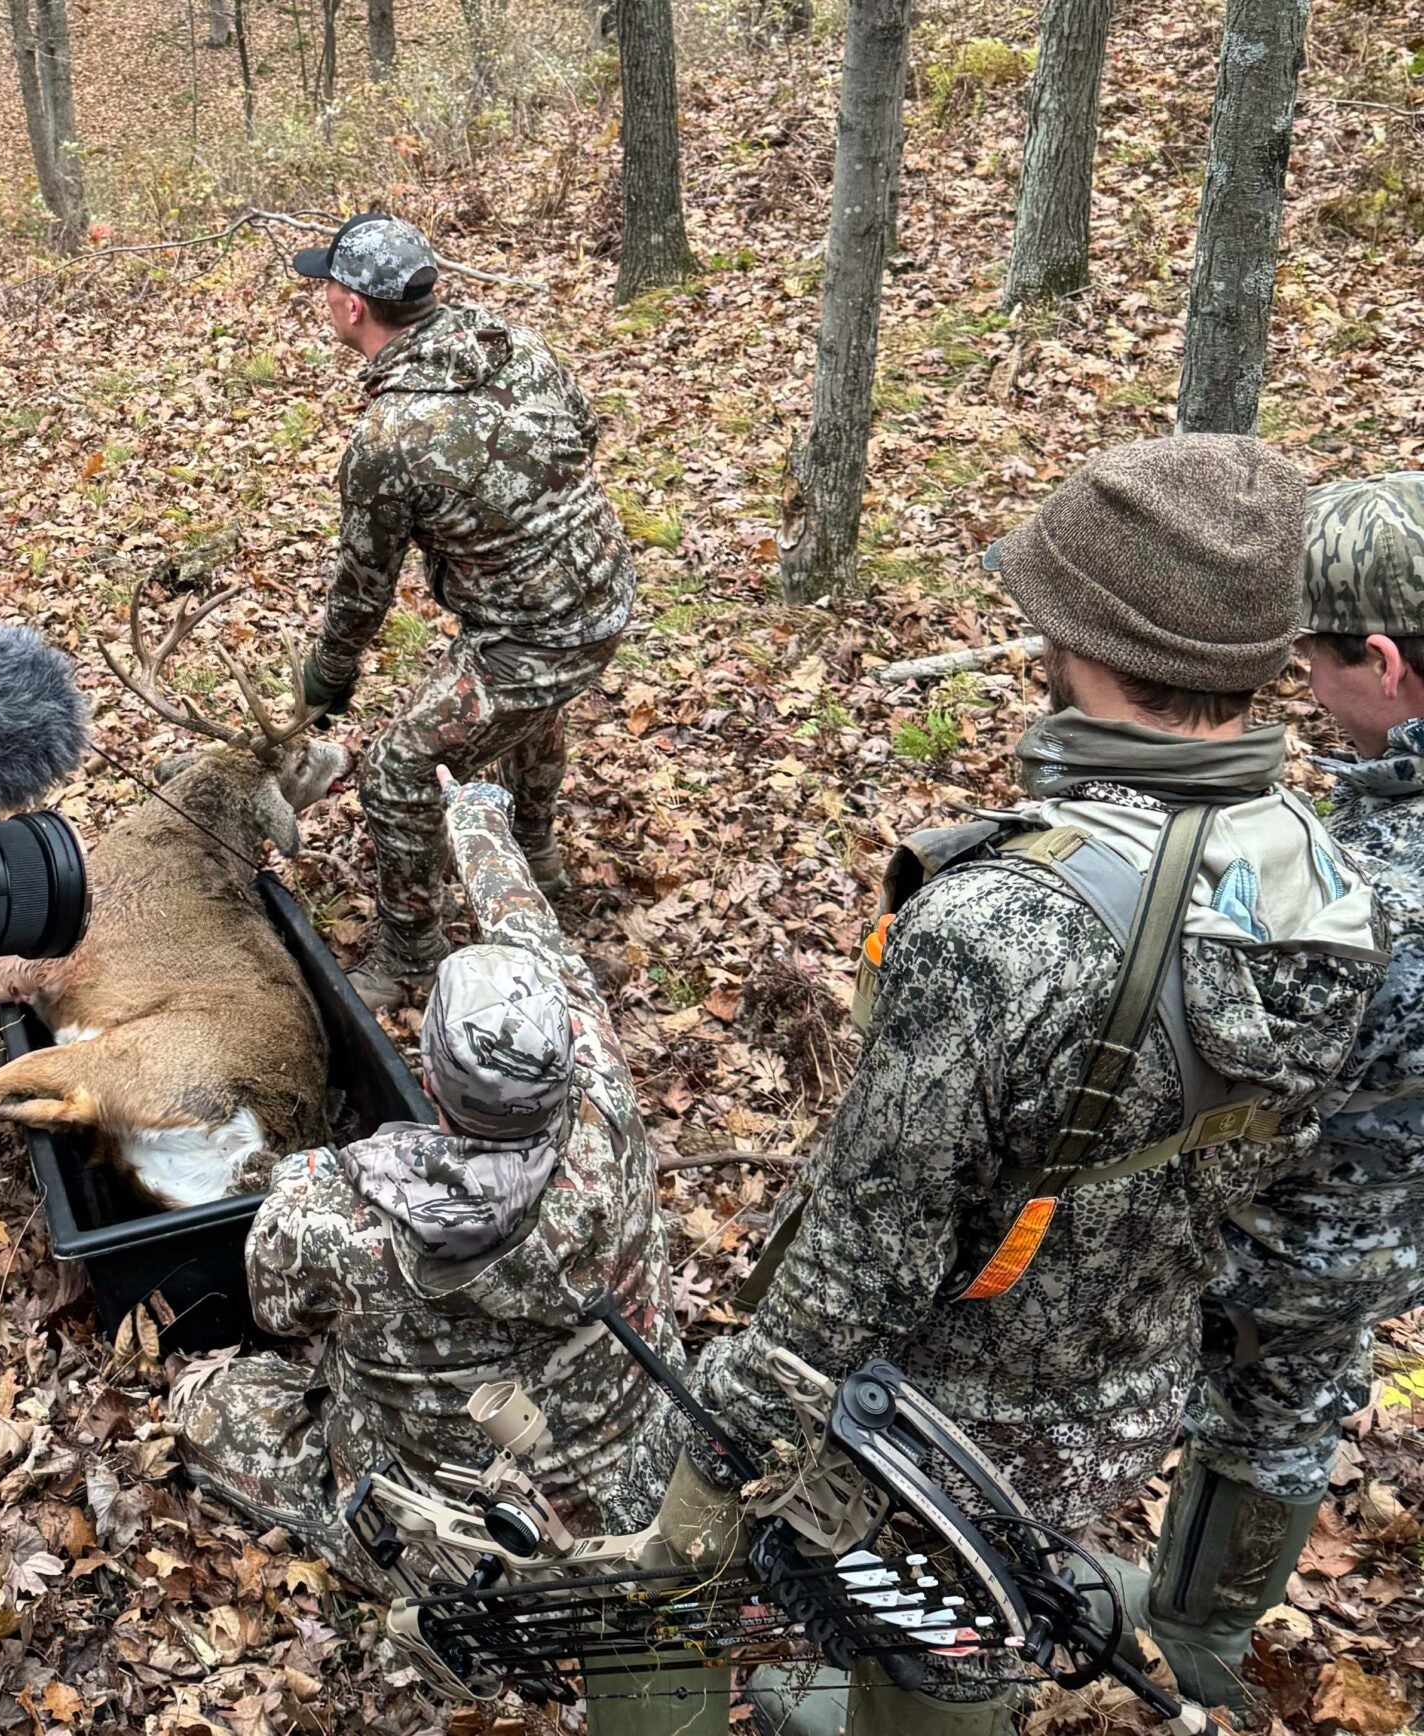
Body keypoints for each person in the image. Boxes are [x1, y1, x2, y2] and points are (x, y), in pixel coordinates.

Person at [661, 436, 1386, 1736]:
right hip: (1126, 1393)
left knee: (931, 1660)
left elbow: (859, 1268)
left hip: (937, 1434)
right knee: (977, 1606)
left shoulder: (996, 927)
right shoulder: (1323, 871)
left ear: (1089, 642)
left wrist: (710, 1478)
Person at [170, 775, 697, 1730]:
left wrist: (313, 1184)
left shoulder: (348, 1220)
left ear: (428, 1077)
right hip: (647, 1476)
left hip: (471, 1539)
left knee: (207, 1404)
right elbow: (533, 931)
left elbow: (276, 1307)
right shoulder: (605, 1097)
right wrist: (478, 817)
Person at [1111, 474, 1424, 1707]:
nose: (1306, 688)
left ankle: (1159, 1642)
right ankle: (1201, 1620)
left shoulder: (1371, 899)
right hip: (1383, 1227)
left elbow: (1205, 1059)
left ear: (1386, 660)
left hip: (1283, 1233)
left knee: (1244, 1399)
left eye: (1316, 664)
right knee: (1288, 1408)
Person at [286, 211, 637, 1011]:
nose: (323, 301)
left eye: (326, 288)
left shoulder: (390, 440)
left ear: (350, 307)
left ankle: (412, 955)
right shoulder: (510, 342)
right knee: (532, 718)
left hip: (534, 634)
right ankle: (538, 859)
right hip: (603, 592)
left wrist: (327, 675)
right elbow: (582, 433)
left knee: (396, 770)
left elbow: (363, 589)